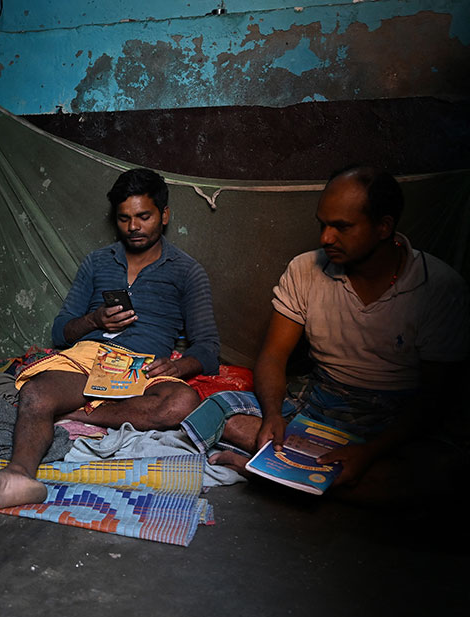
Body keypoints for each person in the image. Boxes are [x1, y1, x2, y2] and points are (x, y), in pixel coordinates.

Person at [181, 166, 469, 502]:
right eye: (323, 225)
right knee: (213, 411)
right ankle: (308, 473)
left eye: (342, 227)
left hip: (394, 416)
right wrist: (273, 416)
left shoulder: (439, 287)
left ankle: (272, 471)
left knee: (438, 473)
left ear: (383, 226)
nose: (326, 238)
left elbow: (433, 399)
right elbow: (273, 356)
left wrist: (369, 453)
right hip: (320, 401)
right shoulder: (305, 269)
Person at [0, 168, 221, 511]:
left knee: (182, 403)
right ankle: (18, 477)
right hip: (88, 359)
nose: (133, 226)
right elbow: (60, 331)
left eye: (144, 216)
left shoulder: (187, 271)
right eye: (124, 218)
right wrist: (94, 320)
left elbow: (208, 348)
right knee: (36, 392)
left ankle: (78, 415)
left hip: (140, 369)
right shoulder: (97, 262)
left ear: (165, 215)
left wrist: (177, 366)